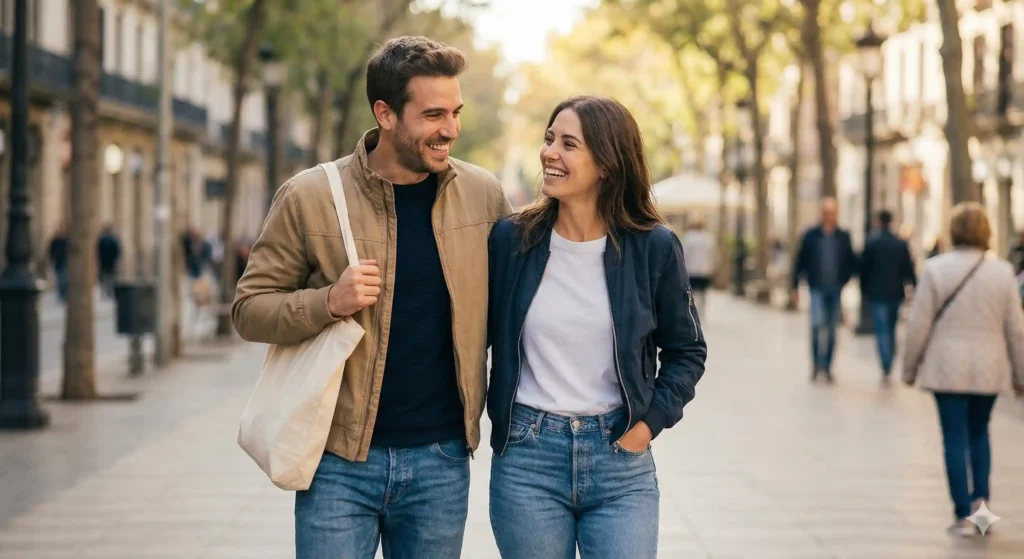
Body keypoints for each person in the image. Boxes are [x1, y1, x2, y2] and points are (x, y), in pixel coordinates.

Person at [232, 36, 512, 559]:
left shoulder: (484, 196)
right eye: (432, 114)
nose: (449, 128)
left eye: (454, 112)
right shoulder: (309, 196)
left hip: (441, 460)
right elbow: (248, 310)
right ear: (385, 113)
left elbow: (518, 309)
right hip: (338, 460)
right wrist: (327, 303)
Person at [486, 96, 708, 559]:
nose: (550, 153)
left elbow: (687, 351)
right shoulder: (512, 241)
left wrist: (646, 426)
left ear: (607, 163)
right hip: (529, 457)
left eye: (569, 144)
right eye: (549, 139)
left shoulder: (655, 248)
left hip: (619, 459)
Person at [903, 203, 1024, 537]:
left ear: (953, 231)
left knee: (953, 438)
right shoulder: (1001, 273)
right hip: (988, 367)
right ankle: (980, 510)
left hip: (947, 368)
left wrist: (909, 367)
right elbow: (1017, 329)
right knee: (980, 434)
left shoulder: (935, 269)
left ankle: (961, 514)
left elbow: (918, 325)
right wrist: (1020, 375)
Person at [791, 197, 858, 383]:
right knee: (815, 325)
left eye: (832, 212)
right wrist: (795, 286)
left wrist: (844, 280)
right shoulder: (810, 235)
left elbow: (851, 261)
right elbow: (799, 261)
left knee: (831, 329)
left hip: (835, 288)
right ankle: (816, 365)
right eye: (825, 212)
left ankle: (827, 367)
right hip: (816, 288)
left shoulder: (843, 236)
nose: (829, 215)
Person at [860, 209, 917, 382]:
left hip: (877, 293)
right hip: (895, 293)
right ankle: (889, 362)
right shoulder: (900, 244)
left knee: (882, 329)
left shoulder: (872, 242)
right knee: (891, 329)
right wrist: (914, 287)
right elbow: (909, 269)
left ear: (878, 221)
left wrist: (864, 290)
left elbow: (864, 269)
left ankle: (886, 364)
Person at [679, 214, 716, 317]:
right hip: (705, 269)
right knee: (703, 293)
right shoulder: (709, 238)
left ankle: (692, 312)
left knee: (691, 293)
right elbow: (713, 254)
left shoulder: (688, 237)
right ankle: (702, 312)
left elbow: (683, 254)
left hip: (691, 270)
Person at [96, 224, 122, 298]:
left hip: (104, 262)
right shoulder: (114, 239)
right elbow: (118, 250)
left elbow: (98, 251)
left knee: (104, 278)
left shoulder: (102, 239)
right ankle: (109, 292)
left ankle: (105, 293)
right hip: (111, 262)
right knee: (111, 278)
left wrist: (100, 259)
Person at [48, 222, 70, 302]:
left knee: (65, 280)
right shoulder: (55, 240)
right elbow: (51, 252)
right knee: (59, 280)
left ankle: (64, 295)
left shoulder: (67, 240)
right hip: (58, 263)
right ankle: (61, 295)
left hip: (66, 263)